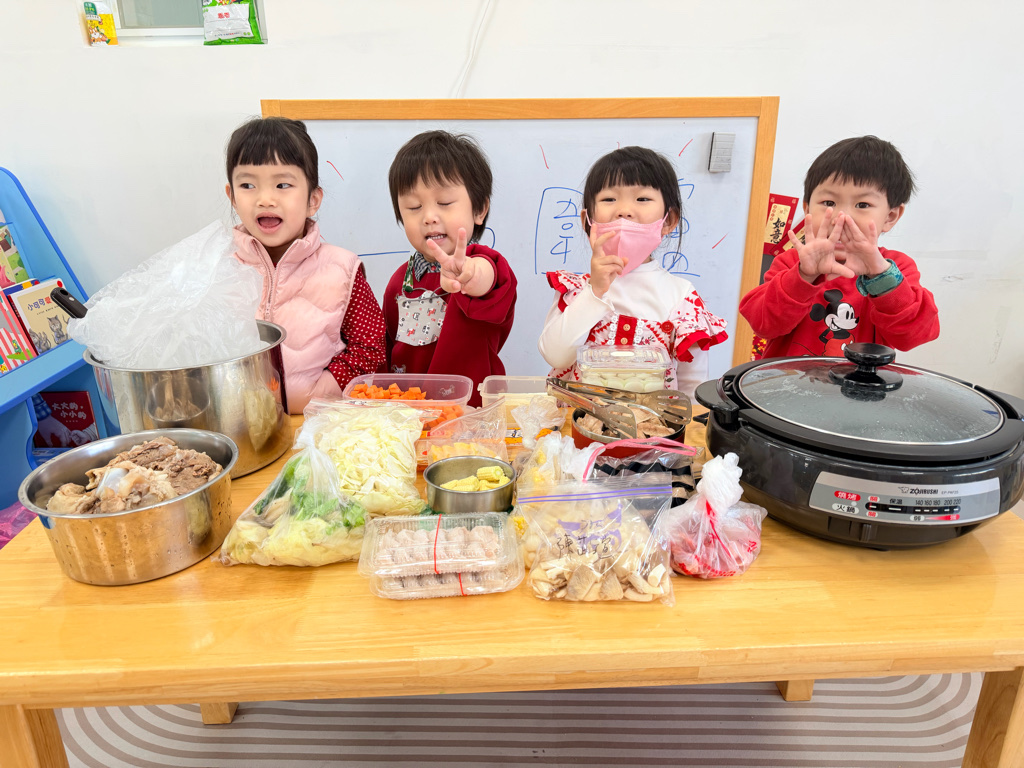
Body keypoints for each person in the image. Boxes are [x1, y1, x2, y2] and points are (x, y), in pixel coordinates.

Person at [538, 146, 728, 399]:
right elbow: (555, 356)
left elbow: (693, 387)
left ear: (669, 220)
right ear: (587, 221)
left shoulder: (682, 297)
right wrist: (595, 292)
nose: (624, 210)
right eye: (609, 199)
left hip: (654, 423)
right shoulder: (575, 290)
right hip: (576, 421)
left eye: (642, 199)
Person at [225, 116, 387, 414]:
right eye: (247, 185)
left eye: (282, 184)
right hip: (240, 427)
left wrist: (319, 393)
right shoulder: (217, 271)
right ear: (232, 197)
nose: (265, 199)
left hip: (319, 424)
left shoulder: (343, 269)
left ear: (313, 200)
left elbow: (371, 350)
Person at [739, 136, 939, 358]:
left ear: (890, 217)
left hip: (861, 382)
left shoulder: (895, 268)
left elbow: (914, 336)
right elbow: (762, 325)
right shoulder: (792, 262)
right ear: (807, 209)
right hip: (788, 379)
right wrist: (803, 276)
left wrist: (881, 276)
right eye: (828, 203)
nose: (841, 218)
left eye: (862, 204)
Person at [383, 130, 517, 406]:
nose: (429, 217)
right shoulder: (400, 280)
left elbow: (484, 279)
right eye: (414, 206)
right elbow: (388, 347)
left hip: (472, 411)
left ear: (479, 210)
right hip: (409, 413)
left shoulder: (487, 264)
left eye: (444, 203)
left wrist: (467, 274)